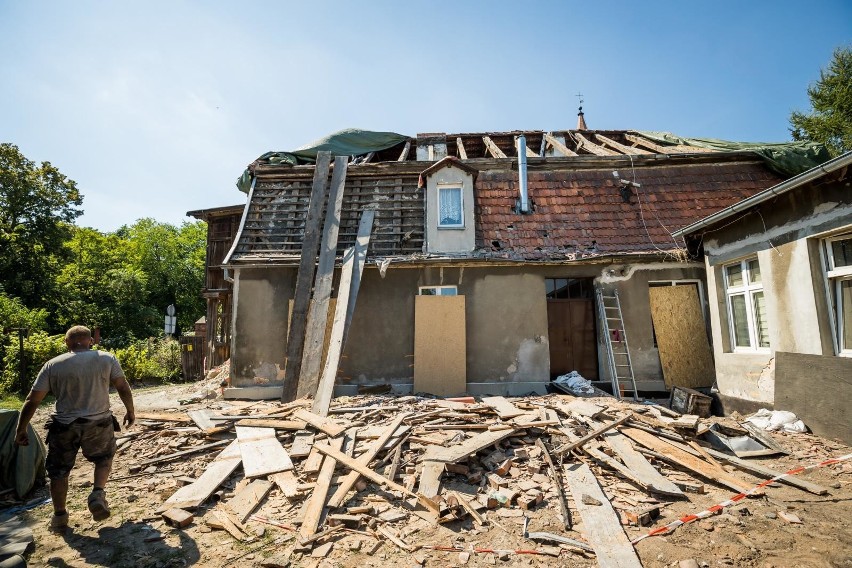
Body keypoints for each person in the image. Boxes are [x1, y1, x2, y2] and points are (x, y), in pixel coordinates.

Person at [14, 325, 135, 533]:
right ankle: (97, 493)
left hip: (64, 426)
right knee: (104, 458)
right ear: (90, 341)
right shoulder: (107, 358)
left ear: (66, 342)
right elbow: (122, 386)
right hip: (99, 422)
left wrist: (21, 429)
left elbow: (32, 400)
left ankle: (60, 516)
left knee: (58, 471)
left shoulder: (53, 365)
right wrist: (130, 411)